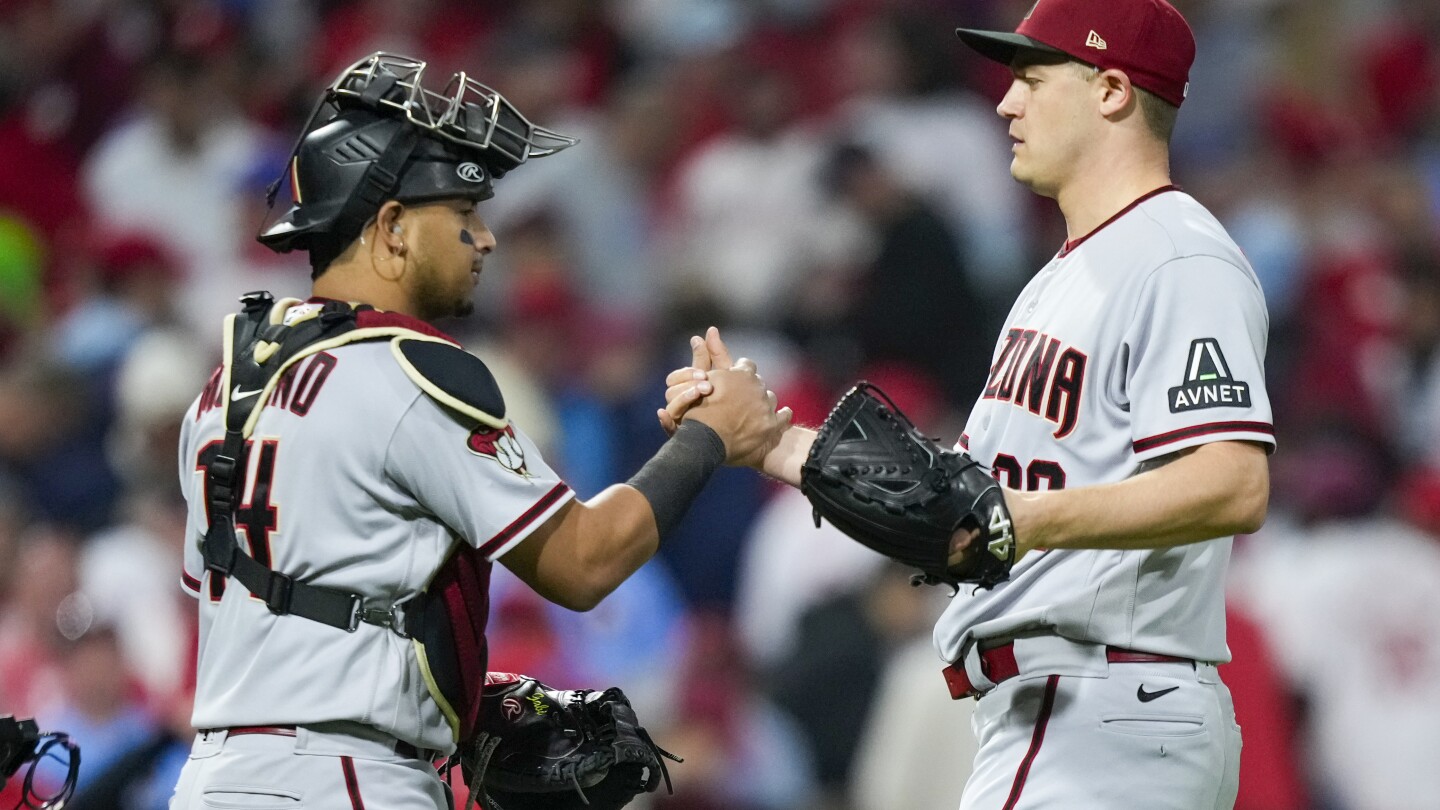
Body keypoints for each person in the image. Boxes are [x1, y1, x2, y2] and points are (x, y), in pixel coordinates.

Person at [664, 1, 1273, 807]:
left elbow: (1233, 482)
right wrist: (770, 440)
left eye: (1034, 77)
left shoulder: (1177, 255)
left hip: (1105, 704)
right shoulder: (1055, 281)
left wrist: (1024, 520)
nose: (1007, 102)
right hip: (1064, 710)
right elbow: (950, 505)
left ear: (1113, 91)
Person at [170, 53, 788, 810]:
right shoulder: (407, 369)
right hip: (347, 777)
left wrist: (450, 686)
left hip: (214, 779)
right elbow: (582, 563)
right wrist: (710, 437)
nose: (485, 240)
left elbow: (256, 604)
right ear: (392, 228)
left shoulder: (225, 385)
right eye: (462, 215)